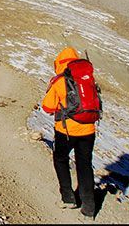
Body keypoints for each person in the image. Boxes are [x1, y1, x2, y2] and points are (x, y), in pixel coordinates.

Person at [41, 47, 97, 217]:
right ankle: (89, 206)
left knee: (60, 159)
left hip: (66, 130)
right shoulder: (87, 78)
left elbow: (47, 107)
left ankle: (68, 198)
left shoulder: (59, 80)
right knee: (85, 164)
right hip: (88, 128)